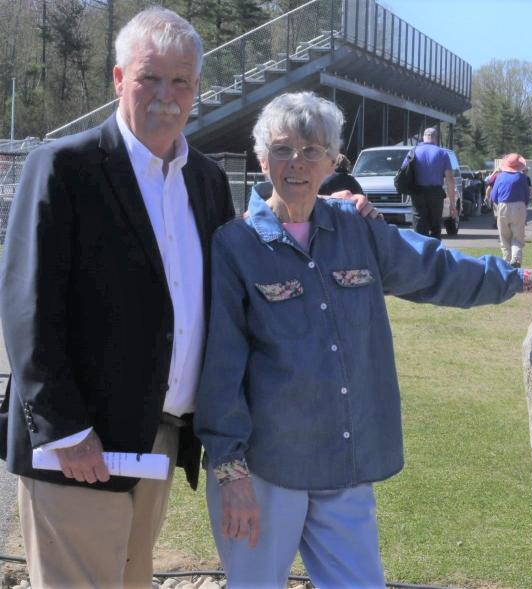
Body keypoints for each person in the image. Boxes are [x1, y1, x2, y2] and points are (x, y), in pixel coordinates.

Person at [0, 9, 373, 587]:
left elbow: (242, 270)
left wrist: (331, 214)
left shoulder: (203, 179)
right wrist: (67, 430)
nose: (165, 96)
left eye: (181, 82)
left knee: (130, 579)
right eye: (150, 78)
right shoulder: (63, 168)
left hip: (158, 436)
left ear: (197, 88)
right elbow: (27, 308)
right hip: (80, 447)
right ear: (119, 78)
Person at [192, 92, 532, 588]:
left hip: (345, 463)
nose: (296, 163)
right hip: (264, 472)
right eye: (282, 149)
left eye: (311, 150)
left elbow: (437, 269)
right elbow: (222, 367)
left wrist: (530, 278)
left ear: (332, 161)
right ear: (261, 159)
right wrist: (230, 473)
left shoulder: (357, 229)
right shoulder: (236, 245)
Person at [409, 127, 456, 239]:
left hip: (417, 192)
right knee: (435, 226)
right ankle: (435, 252)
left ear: (423, 138)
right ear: (436, 138)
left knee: (419, 225)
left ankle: (421, 252)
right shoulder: (442, 153)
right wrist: (452, 204)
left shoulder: (413, 151)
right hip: (435, 193)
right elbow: (450, 180)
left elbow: (402, 173)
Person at [490, 153, 532, 267]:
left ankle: (506, 262)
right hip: (519, 206)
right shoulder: (522, 178)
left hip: (503, 206)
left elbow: (493, 196)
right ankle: (516, 259)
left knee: (504, 237)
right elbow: (527, 196)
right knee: (517, 237)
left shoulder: (500, 177)